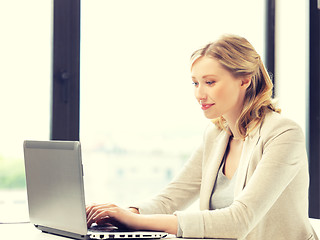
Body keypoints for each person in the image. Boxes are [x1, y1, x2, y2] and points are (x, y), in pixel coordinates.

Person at [86, 34, 318, 240]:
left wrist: (134, 222)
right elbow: (171, 199)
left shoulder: (283, 133)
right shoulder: (216, 135)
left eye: (210, 82)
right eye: (195, 83)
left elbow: (239, 220)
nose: (199, 94)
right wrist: (124, 213)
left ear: (244, 80)